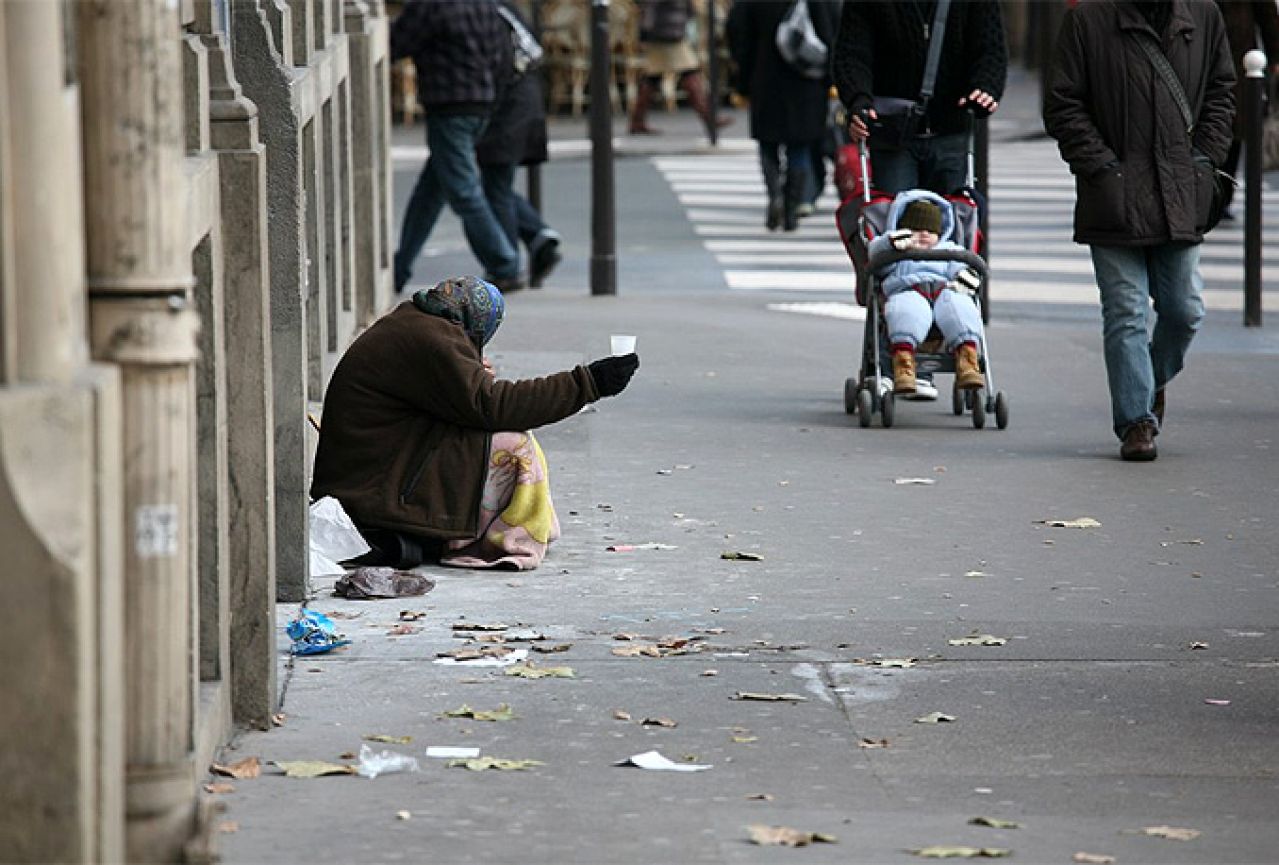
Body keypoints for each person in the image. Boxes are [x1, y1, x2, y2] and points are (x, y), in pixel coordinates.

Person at [311, 277, 640, 570]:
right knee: (514, 447)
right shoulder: (431, 339)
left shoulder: (416, 322)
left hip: (371, 474)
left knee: (495, 440)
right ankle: (503, 540)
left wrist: (467, 369)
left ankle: (470, 532)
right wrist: (587, 383)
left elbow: (462, 402)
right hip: (371, 490)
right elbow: (493, 406)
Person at [1043, 0, 1235, 462]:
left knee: (1185, 310)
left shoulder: (1203, 16)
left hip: (1179, 191)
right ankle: (1136, 421)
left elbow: (1222, 91)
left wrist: (1204, 162)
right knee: (1126, 310)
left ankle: (1146, 381)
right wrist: (1104, 170)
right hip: (1114, 195)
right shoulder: (1087, 21)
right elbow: (1063, 104)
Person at [391, 0, 523, 295]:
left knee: (463, 191)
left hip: (450, 105)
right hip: (482, 104)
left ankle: (505, 263)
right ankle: (399, 267)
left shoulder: (434, 5)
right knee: (431, 192)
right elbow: (503, 55)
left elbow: (397, 42)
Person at [832, 0, 1007, 197]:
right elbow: (852, 53)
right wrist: (858, 98)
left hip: (950, 123)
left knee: (949, 216)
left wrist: (985, 87)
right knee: (896, 215)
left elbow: (990, 48)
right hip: (892, 128)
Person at [727, 0, 840, 231]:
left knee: (768, 146)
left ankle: (775, 195)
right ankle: (791, 206)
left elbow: (738, 34)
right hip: (806, 82)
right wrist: (832, 79)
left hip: (764, 79)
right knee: (799, 147)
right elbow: (829, 34)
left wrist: (742, 83)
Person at [477, 1, 562, 287]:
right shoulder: (504, 10)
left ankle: (508, 265)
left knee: (496, 187)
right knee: (495, 184)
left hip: (507, 109)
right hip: (524, 103)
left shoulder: (488, 14)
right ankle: (538, 235)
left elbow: (496, 68)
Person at [866, 192, 984, 393]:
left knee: (961, 306)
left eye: (930, 230)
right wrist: (890, 243)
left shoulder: (949, 250)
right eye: (916, 229)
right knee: (906, 310)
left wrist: (967, 277)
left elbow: (963, 267)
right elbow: (875, 257)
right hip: (909, 290)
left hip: (946, 292)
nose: (924, 234)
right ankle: (903, 364)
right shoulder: (898, 253)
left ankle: (968, 359)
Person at [1212, 0, 1279, 219]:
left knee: (1232, 131)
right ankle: (1215, 195)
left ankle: (1222, 195)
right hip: (1212, 51)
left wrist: (1275, 55)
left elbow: (1268, 15)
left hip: (1238, 60)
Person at [629, 0, 732, 137]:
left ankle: (637, 120)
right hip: (666, 34)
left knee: (654, 77)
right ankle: (708, 117)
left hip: (665, 32)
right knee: (688, 73)